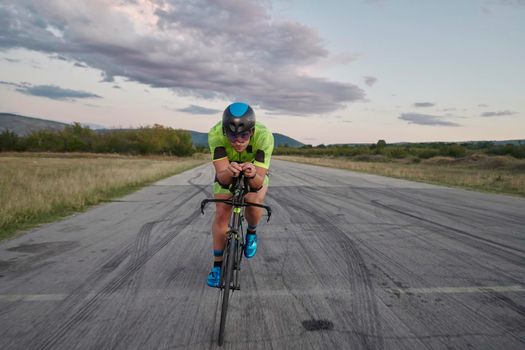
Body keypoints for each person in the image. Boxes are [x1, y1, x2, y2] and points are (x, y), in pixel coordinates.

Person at [206, 102, 274, 287]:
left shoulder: (264, 136)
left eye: (243, 135)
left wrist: (252, 174)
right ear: (224, 131)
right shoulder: (215, 134)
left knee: (253, 200)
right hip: (227, 170)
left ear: (251, 132)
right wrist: (229, 171)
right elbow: (222, 178)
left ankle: (252, 232)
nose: (238, 141)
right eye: (232, 135)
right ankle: (217, 266)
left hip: (255, 170)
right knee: (221, 211)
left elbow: (258, 183)